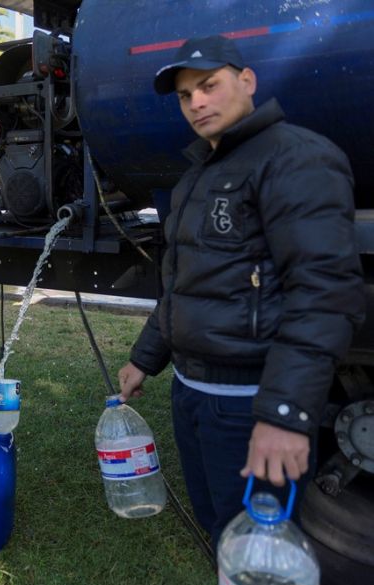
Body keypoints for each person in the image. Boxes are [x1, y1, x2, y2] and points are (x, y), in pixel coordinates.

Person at [116, 35, 365, 547]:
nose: (197, 103)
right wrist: (145, 358)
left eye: (209, 86)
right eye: (186, 96)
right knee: (221, 532)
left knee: (260, 547)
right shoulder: (195, 180)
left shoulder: (296, 159)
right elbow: (183, 285)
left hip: (249, 405)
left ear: (247, 81)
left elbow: (324, 293)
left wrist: (285, 414)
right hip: (192, 395)